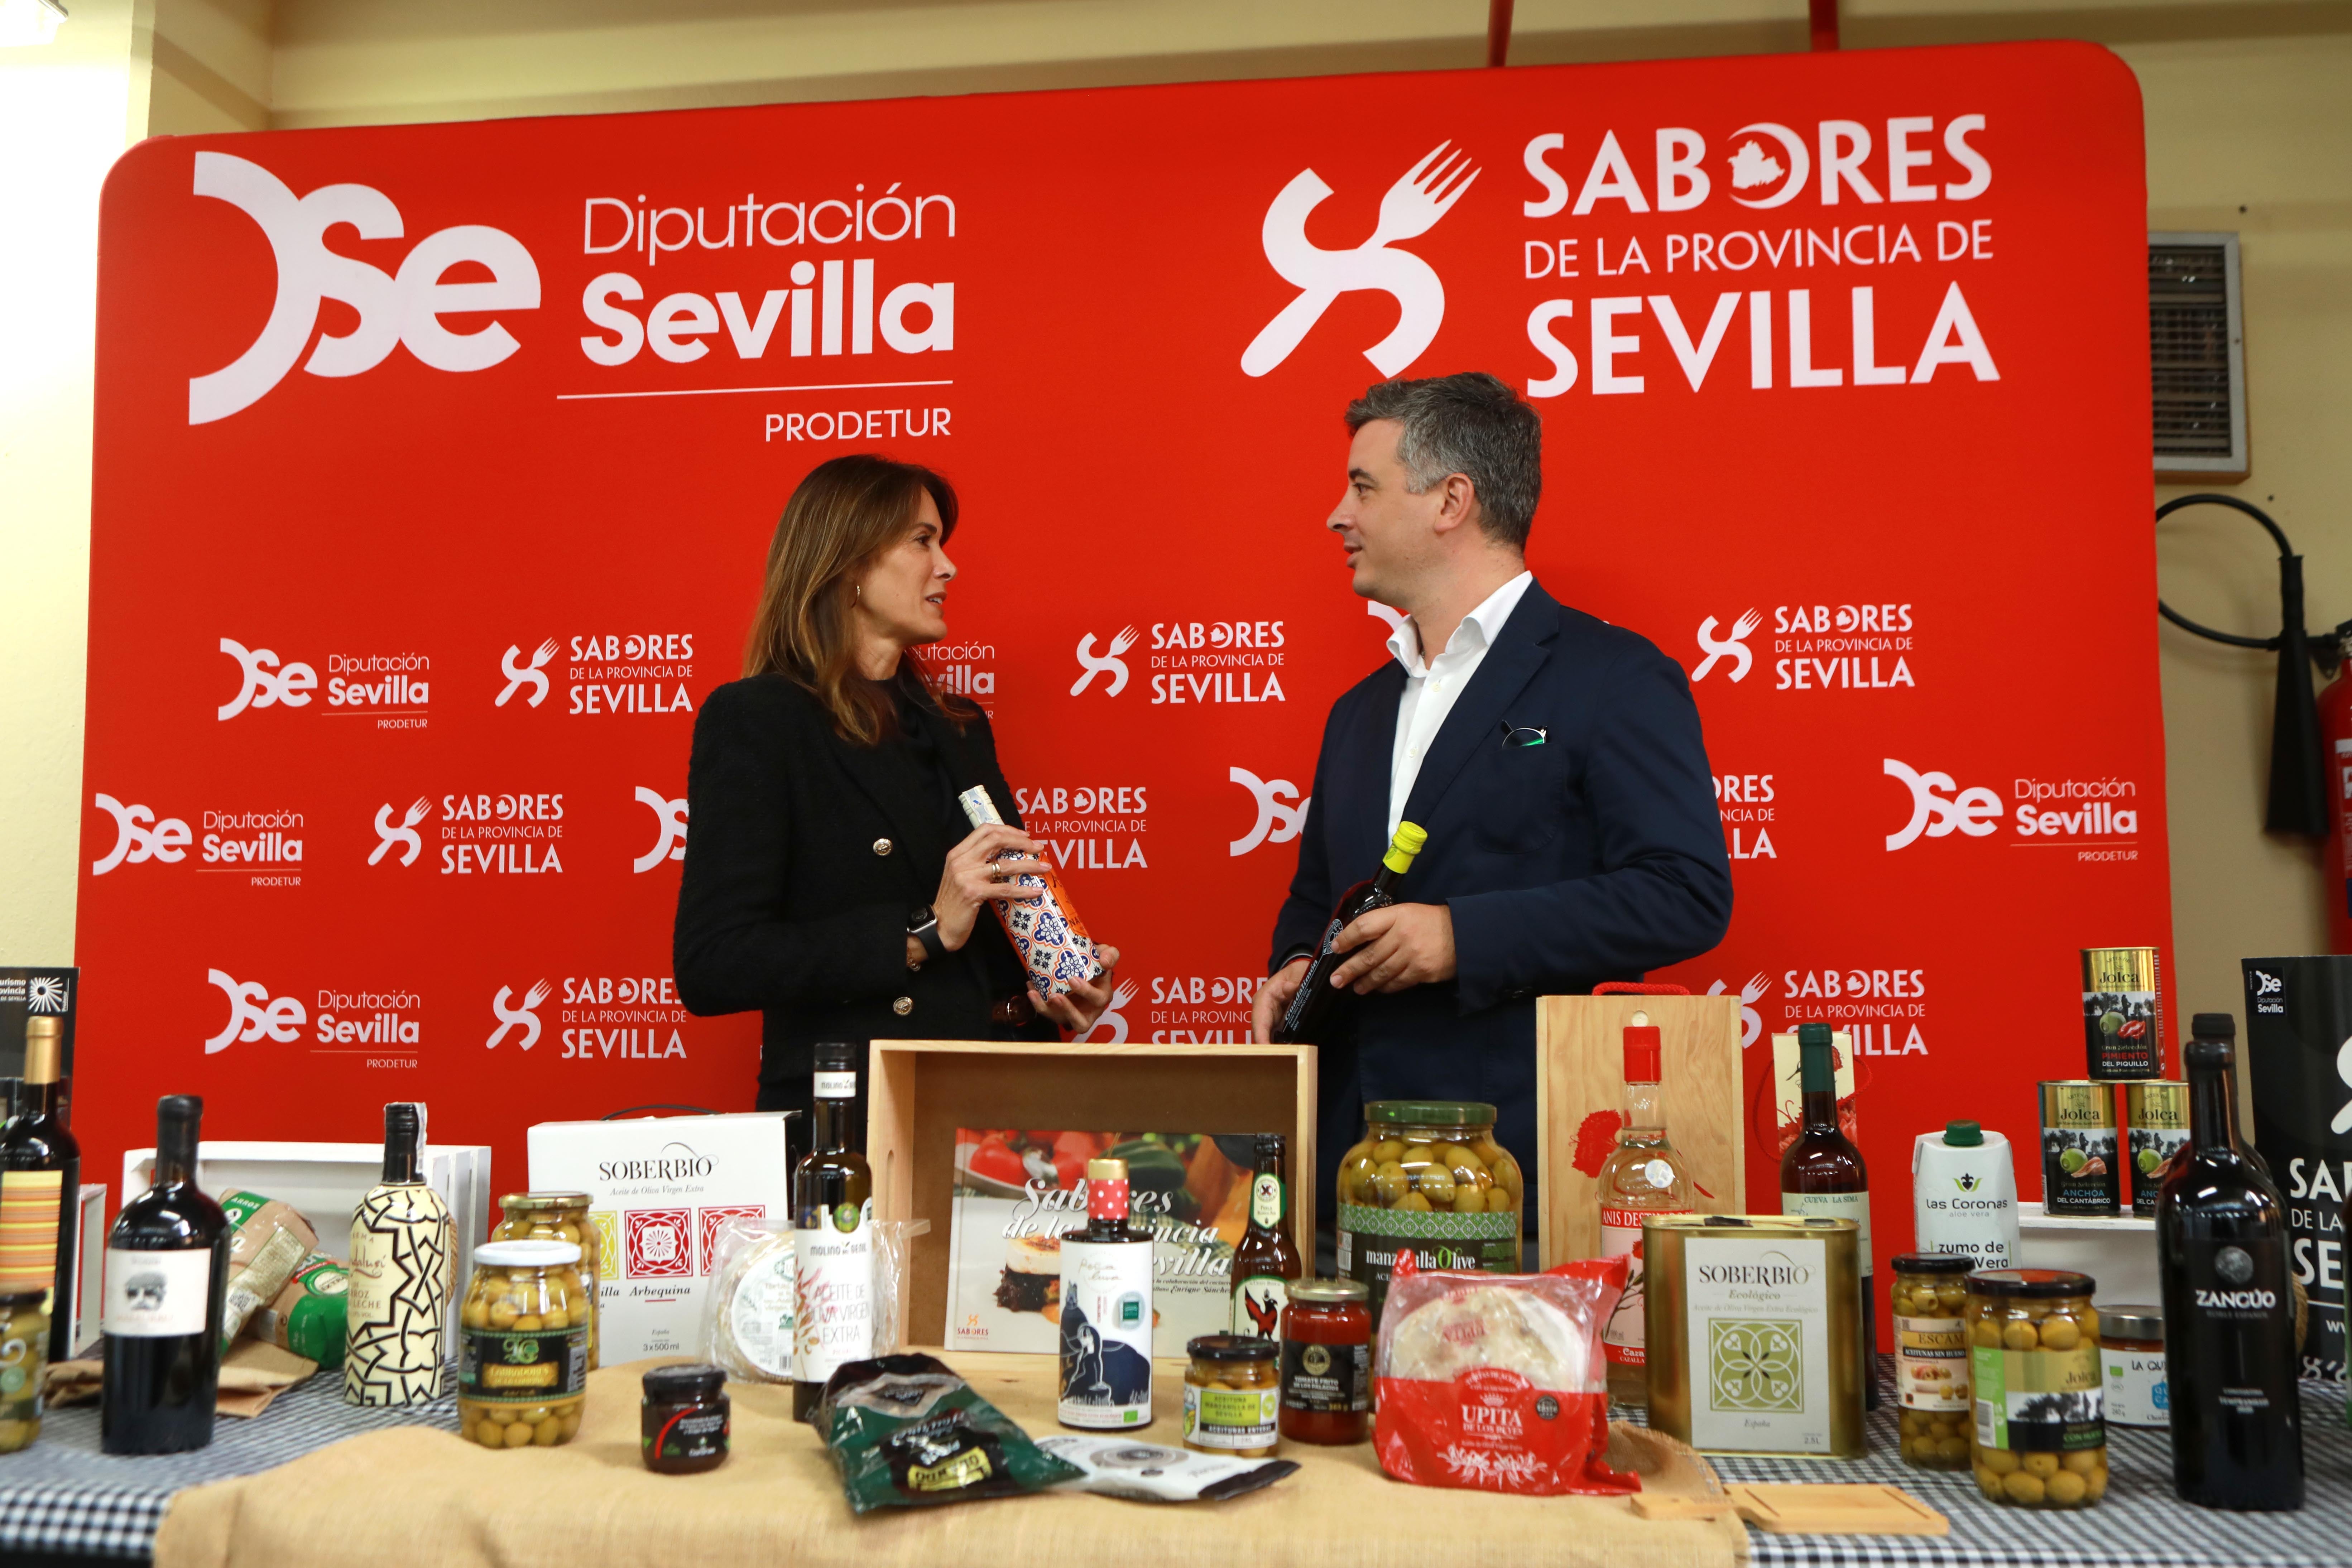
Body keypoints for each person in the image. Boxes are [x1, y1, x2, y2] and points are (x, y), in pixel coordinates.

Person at [1252, 373, 1731, 1237]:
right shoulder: (1357, 712)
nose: (1337, 514)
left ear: (1451, 500)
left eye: (1363, 486)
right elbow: (1314, 895)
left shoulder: (1614, 678)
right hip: (1343, 1179)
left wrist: (1462, 935)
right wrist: (1294, 961)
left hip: (1520, 1182)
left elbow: (1685, 891)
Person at [675, 454, 1122, 1143]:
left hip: (1005, 1113)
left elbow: (995, 924)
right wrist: (919, 934)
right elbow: (714, 962)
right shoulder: (757, 719)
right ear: (849, 562)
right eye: (922, 541)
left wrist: (1057, 983)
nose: (946, 567)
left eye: (941, 543)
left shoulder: (959, 727)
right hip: (862, 1125)